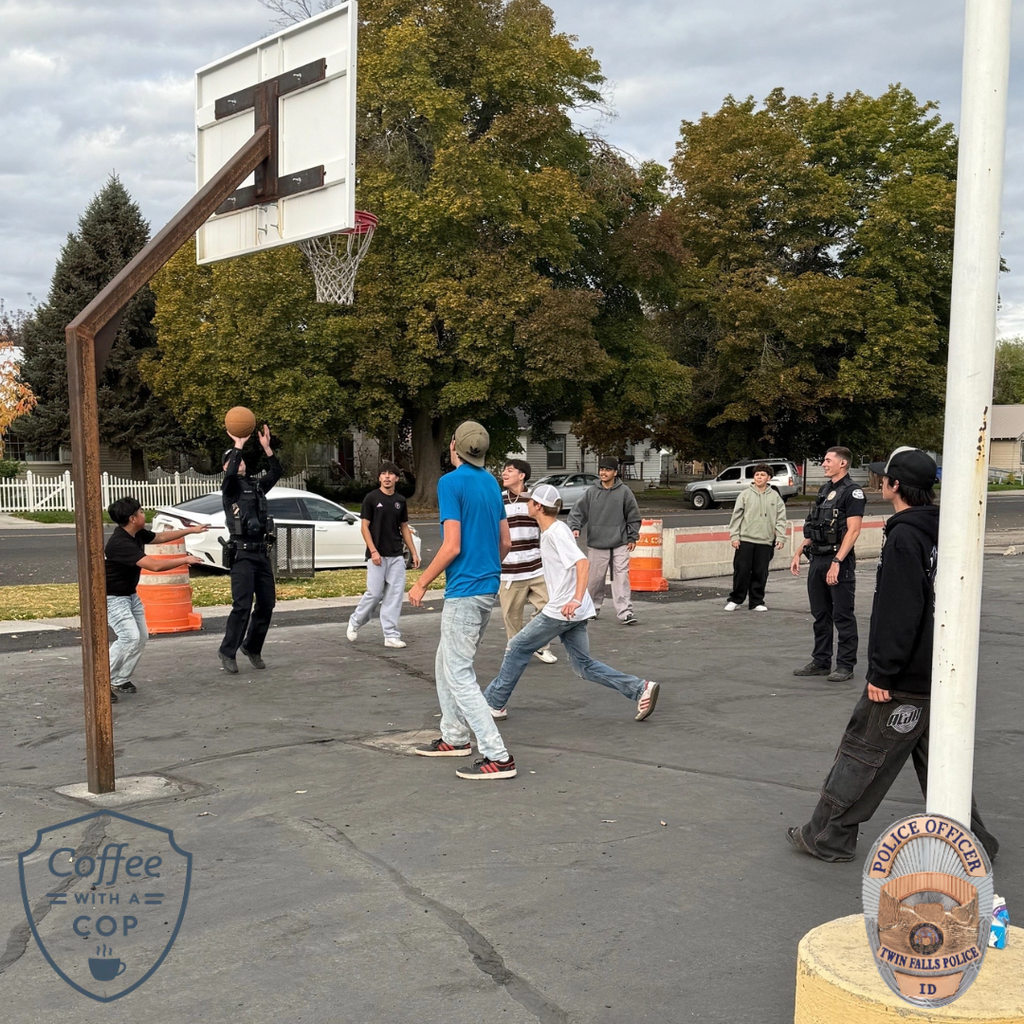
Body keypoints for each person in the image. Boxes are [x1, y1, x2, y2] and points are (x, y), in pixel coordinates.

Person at [787, 447, 999, 863]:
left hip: (904, 676)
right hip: (935, 668)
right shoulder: (941, 531)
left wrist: (882, 674)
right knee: (938, 760)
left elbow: (900, 610)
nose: (878, 481)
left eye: (883, 477)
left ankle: (828, 835)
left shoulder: (904, 536)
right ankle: (974, 840)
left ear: (896, 485)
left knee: (864, 752)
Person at [483, 484, 660, 722]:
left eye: (529, 501)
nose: (525, 504)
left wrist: (575, 599)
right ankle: (640, 688)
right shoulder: (551, 531)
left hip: (562, 610)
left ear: (538, 507)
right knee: (583, 666)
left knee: (517, 647)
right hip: (573, 611)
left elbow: (582, 563)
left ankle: (494, 703)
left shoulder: (556, 532)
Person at [408, 421, 517, 780]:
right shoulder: (490, 483)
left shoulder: (450, 483)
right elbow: (505, 543)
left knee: (458, 673)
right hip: (487, 587)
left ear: (453, 446)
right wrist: (485, 569)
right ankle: (455, 736)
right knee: (445, 661)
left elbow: (452, 545)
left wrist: (422, 582)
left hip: (465, 592)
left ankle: (497, 756)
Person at [104, 497, 205, 702]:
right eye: (141, 512)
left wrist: (190, 530)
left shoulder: (136, 533)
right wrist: (185, 559)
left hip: (130, 595)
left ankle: (120, 678)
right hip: (114, 598)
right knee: (129, 637)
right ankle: (101, 681)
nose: (144, 513)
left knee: (141, 636)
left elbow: (159, 537)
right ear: (132, 518)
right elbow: (154, 566)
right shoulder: (120, 543)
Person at [790, 446, 865, 682]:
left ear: (842, 463)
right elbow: (816, 525)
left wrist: (837, 561)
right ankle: (821, 661)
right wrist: (799, 550)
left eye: (827, 460)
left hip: (837, 560)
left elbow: (853, 531)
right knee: (820, 614)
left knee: (842, 614)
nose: (823, 463)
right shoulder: (824, 490)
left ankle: (845, 665)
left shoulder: (852, 492)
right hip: (818, 559)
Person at [219, 423, 282, 674]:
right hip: (242, 555)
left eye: (242, 460)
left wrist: (267, 448)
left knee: (267, 603)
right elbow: (231, 474)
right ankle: (227, 651)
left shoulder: (256, 486)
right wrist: (238, 445)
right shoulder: (230, 489)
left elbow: (276, 472)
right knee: (242, 606)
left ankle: (252, 647)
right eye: (234, 461)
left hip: (260, 553)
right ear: (226, 467)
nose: (240, 462)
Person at [347, 461, 421, 648]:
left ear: (396, 478)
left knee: (394, 595)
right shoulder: (371, 498)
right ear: (379, 477)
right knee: (374, 594)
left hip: (396, 554)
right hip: (376, 555)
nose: (387, 477)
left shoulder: (400, 501)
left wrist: (414, 552)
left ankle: (391, 635)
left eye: (391, 474)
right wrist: (373, 551)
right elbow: (364, 527)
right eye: (383, 474)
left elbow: (404, 527)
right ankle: (355, 621)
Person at [568, 456, 642, 625]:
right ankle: (592, 609)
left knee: (621, 577)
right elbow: (578, 511)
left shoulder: (624, 492)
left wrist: (632, 536)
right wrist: (575, 526)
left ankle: (625, 612)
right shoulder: (592, 492)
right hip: (597, 542)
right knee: (595, 578)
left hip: (620, 542)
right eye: (601, 469)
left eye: (607, 469)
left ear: (615, 473)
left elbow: (633, 516)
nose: (603, 472)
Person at [498, 458, 557, 664]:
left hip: (535, 567)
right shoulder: (498, 500)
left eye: (510, 470)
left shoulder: (534, 500)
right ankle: (516, 650)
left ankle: (540, 645)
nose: (504, 473)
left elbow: (546, 527)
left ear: (521, 475)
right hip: (509, 570)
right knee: (511, 617)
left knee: (549, 606)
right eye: (504, 470)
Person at [725, 464, 788, 612]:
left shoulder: (775, 497)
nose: (759, 477)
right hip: (746, 540)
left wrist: (781, 537)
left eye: (762, 475)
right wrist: (735, 536)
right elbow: (736, 517)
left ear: (769, 478)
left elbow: (781, 518)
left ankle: (756, 601)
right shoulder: (745, 495)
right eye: (757, 475)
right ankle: (736, 599)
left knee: (760, 572)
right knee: (742, 571)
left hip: (765, 541)